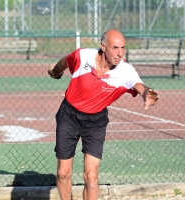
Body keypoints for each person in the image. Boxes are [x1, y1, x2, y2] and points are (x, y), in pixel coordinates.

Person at [48, 29, 159, 200]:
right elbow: (65, 61)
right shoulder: (82, 56)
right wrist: (56, 71)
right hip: (69, 116)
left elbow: (139, 85)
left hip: (96, 121)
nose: (120, 53)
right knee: (63, 173)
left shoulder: (126, 71)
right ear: (103, 46)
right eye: (115, 48)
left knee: (91, 176)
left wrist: (146, 93)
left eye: (123, 48)